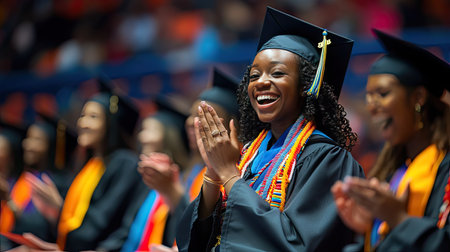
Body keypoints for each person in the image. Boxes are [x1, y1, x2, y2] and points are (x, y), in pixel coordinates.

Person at [176, 7, 364, 251]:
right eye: (254, 75)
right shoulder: (247, 155)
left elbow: (296, 243)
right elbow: (196, 242)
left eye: (277, 73)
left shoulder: (327, 159)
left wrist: (229, 175)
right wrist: (214, 174)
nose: (262, 81)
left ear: (307, 86)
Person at [332, 29, 450, 251]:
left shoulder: (445, 169)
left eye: (382, 94)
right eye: (368, 95)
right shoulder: (392, 169)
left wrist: (398, 219)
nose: (370, 105)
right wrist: (365, 233)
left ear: (418, 97)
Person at [20, 77, 146, 251]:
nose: (83, 123)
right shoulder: (90, 166)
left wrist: (59, 209)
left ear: (110, 123)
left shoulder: (124, 163)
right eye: (83, 116)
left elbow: (100, 224)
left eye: (93, 117)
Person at [138, 68, 241, 251]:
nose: (190, 122)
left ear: (232, 125)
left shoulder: (240, 170)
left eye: (203, 116)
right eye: (191, 115)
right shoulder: (193, 172)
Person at [120, 96, 189, 251]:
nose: (141, 137)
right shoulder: (145, 184)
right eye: (142, 130)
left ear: (168, 136)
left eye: (149, 130)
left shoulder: (185, 180)